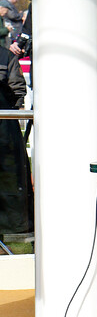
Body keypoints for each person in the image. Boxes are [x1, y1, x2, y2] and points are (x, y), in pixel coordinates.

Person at [0, 45, 32, 235]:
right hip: (5, 129)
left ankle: (11, 233)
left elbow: (17, 91)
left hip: (4, 131)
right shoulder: (6, 56)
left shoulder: (6, 56)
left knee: (9, 181)